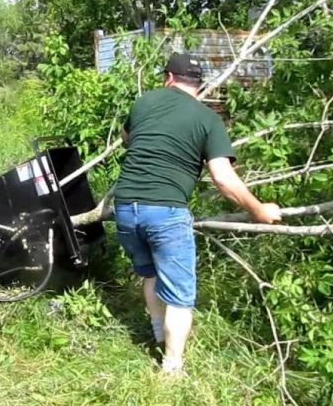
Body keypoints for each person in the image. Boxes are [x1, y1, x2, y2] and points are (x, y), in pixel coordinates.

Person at [114, 53, 282, 375]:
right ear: (199, 84)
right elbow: (223, 177)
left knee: (149, 275)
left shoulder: (144, 102)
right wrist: (259, 210)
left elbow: (128, 139)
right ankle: (172, 369)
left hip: (125, 208)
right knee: (179, 297)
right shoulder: (207, 118)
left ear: (168, 78)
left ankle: (156, 333)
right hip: (166, 212)